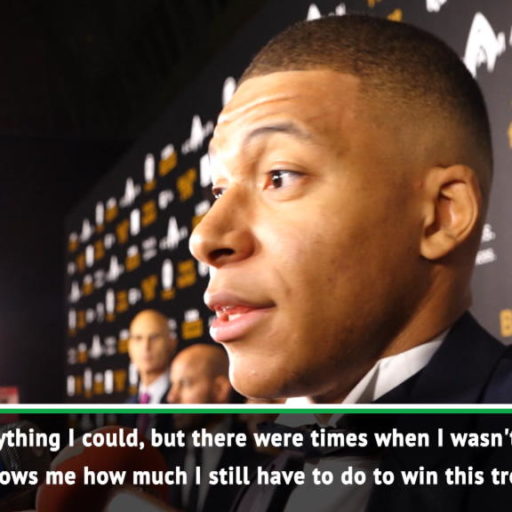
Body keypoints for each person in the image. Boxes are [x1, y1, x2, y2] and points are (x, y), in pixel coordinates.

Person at [188, 14, 512, 511]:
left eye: (280, 176)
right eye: (219, 191)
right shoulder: (265, 464)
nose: (204, 237)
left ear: (442, 215)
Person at [166, 344, 269, 512]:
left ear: (219, 389)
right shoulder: (165, 455)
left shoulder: (258, 454)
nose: (172, 397)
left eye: (185, 384)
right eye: (172, 384)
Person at [124, 309, 177, 436]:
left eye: (154, 337)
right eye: (138, 338)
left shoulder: (183, 403)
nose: (146, 346)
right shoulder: (125, 409)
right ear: (129, 347)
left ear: (171, 343)